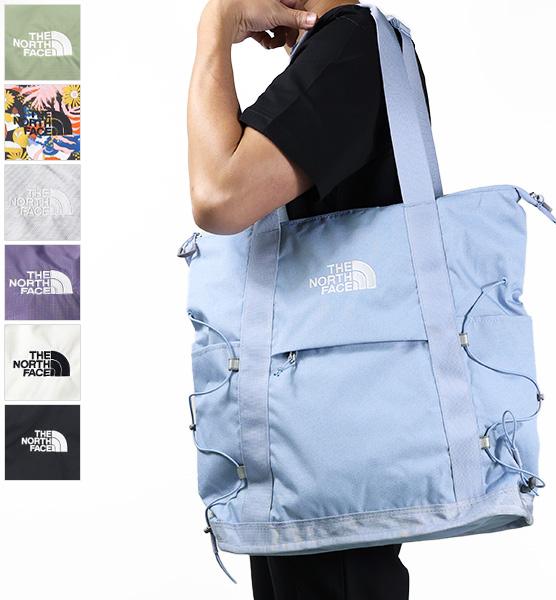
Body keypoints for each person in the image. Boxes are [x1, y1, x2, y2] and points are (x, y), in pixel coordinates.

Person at [188, 0, 432, 597]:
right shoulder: (353, 49)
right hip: (318, 455)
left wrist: (215, 25)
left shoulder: (349, 46)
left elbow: (218, 196)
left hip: (327, 461)